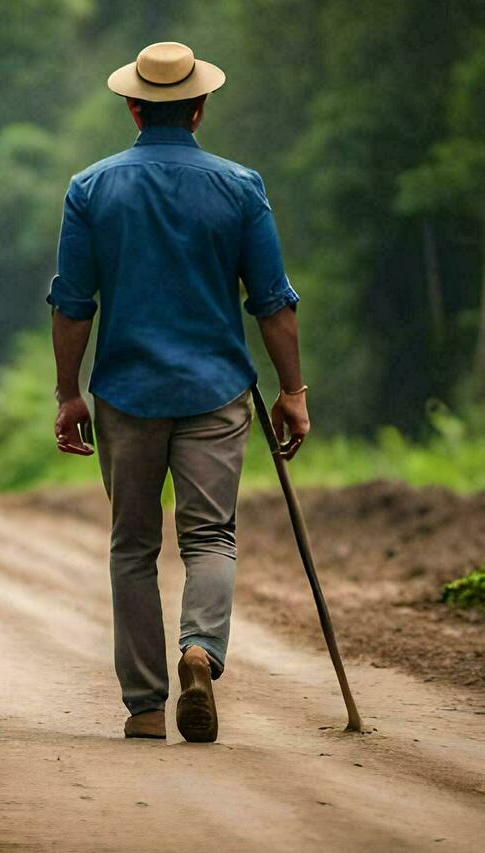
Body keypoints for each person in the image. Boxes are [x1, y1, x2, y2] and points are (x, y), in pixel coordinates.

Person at [47, 41, 310, 743]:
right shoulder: (240, 186)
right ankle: (201, 650)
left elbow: (74, 304)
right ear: (200, 107)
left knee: (132, 546)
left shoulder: (91, 189)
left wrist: (68, 394)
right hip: (216, 389)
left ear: (133, 107)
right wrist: (293, 390)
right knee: (210, 538)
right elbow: (273, 303)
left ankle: (143, 706)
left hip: (127, 392)